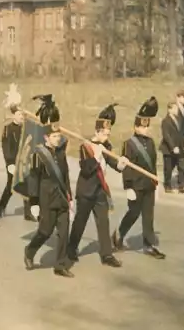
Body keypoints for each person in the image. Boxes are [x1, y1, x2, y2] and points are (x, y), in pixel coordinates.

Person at [67, 103, 124, 268]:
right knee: (80, 222)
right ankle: (71, 250)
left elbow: (114, 164)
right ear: (98, 132)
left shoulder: (106, 146)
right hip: (85, 191)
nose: (107, 136)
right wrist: (97, 155)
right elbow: (86, 169)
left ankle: (106, 254)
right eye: (105, 133)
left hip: (100, 191)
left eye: (108, 133)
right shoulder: (85, 146)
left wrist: (121, 163)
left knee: (103, 222)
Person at [23, 94, 74, 278]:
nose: (58, 138)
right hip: (46, 199)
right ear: (46, 137)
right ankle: (29, 251)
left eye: (59, 135)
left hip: (60, 198)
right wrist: (34, 203)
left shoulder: (60, 153)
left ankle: (60, 265)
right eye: (54, 136)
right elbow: (34, 179)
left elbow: (65, 175)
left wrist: (70, 196)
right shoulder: (39, 155)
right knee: (45, 231)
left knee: (64, 233)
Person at [112, 96, 166, 260]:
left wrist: (155, 183)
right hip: (135, 186)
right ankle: (119, 234)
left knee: (148, 215)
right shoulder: (129, 143)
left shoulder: (150, 142)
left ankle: (148, 245)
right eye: (143, 127)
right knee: (134, 213)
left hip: (148, 185)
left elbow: (152, 164)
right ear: (136, 127)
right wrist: (128, 187)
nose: (146, 129)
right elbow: (127, 166)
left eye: (147, 126)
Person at [0, 84, 35, 220]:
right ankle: (1, 206)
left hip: (24, 162)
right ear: (14, 115)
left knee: (27, 185)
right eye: (19, 115)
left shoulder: (26, 128)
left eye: (22, 115)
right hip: (13, 163)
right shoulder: (8, 128)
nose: (21, 117)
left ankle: (28, 212)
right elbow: (6, 147)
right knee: (11, 186)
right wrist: (9, 163)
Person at [159, 102, 184, 194]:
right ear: (169, 109)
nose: (177, 110)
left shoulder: (179, 120)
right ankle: (167, 185)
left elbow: (181, 134)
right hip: (169, 149)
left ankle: (182, 186)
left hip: (180, 147)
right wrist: (173, 147)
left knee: (182, 167)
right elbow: (166, 136)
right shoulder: (165, 121)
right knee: (168, 168)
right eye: (175, 109)